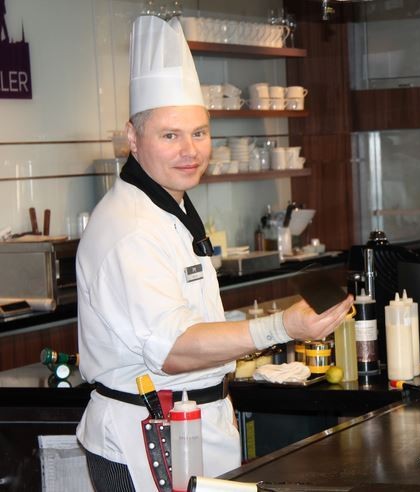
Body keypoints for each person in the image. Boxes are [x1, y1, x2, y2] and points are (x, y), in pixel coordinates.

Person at [75, 15, 353, 491]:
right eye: (170, 135)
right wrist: (279, 326)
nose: (190, 150)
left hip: (192, 427)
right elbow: (173, 348)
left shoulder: (169, 205)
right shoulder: (130, 229)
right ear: (132, 137)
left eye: (200, 133)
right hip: (145, 440)